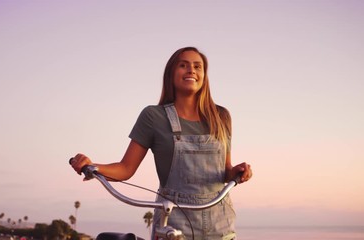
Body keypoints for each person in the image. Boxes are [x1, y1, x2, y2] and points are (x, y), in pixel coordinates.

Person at [70, 47, 252, 240]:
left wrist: (237, 173)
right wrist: (92, 166)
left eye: (197, 66)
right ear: (171, 74)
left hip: (220, 222)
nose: (191, 70)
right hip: (173, 220)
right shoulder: (153, 116)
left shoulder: (221, 116)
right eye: (183, 65)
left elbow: (224, 172)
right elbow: (126, 168)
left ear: (204, 75)